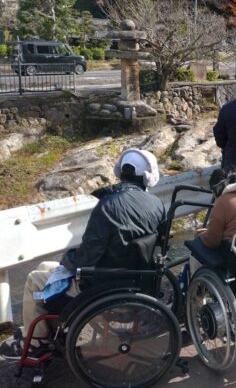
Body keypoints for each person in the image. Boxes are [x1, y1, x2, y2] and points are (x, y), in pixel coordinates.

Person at [1, 149, 166, 358]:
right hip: (137, 282)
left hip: (104, 287)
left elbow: (86, 258)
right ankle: (51, 332)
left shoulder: (108, 205)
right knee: (45, 267)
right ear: (148, 176)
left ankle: (36, 342)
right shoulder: (157, 204)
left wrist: (68, 259)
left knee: (34, 279)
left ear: (120, 172)